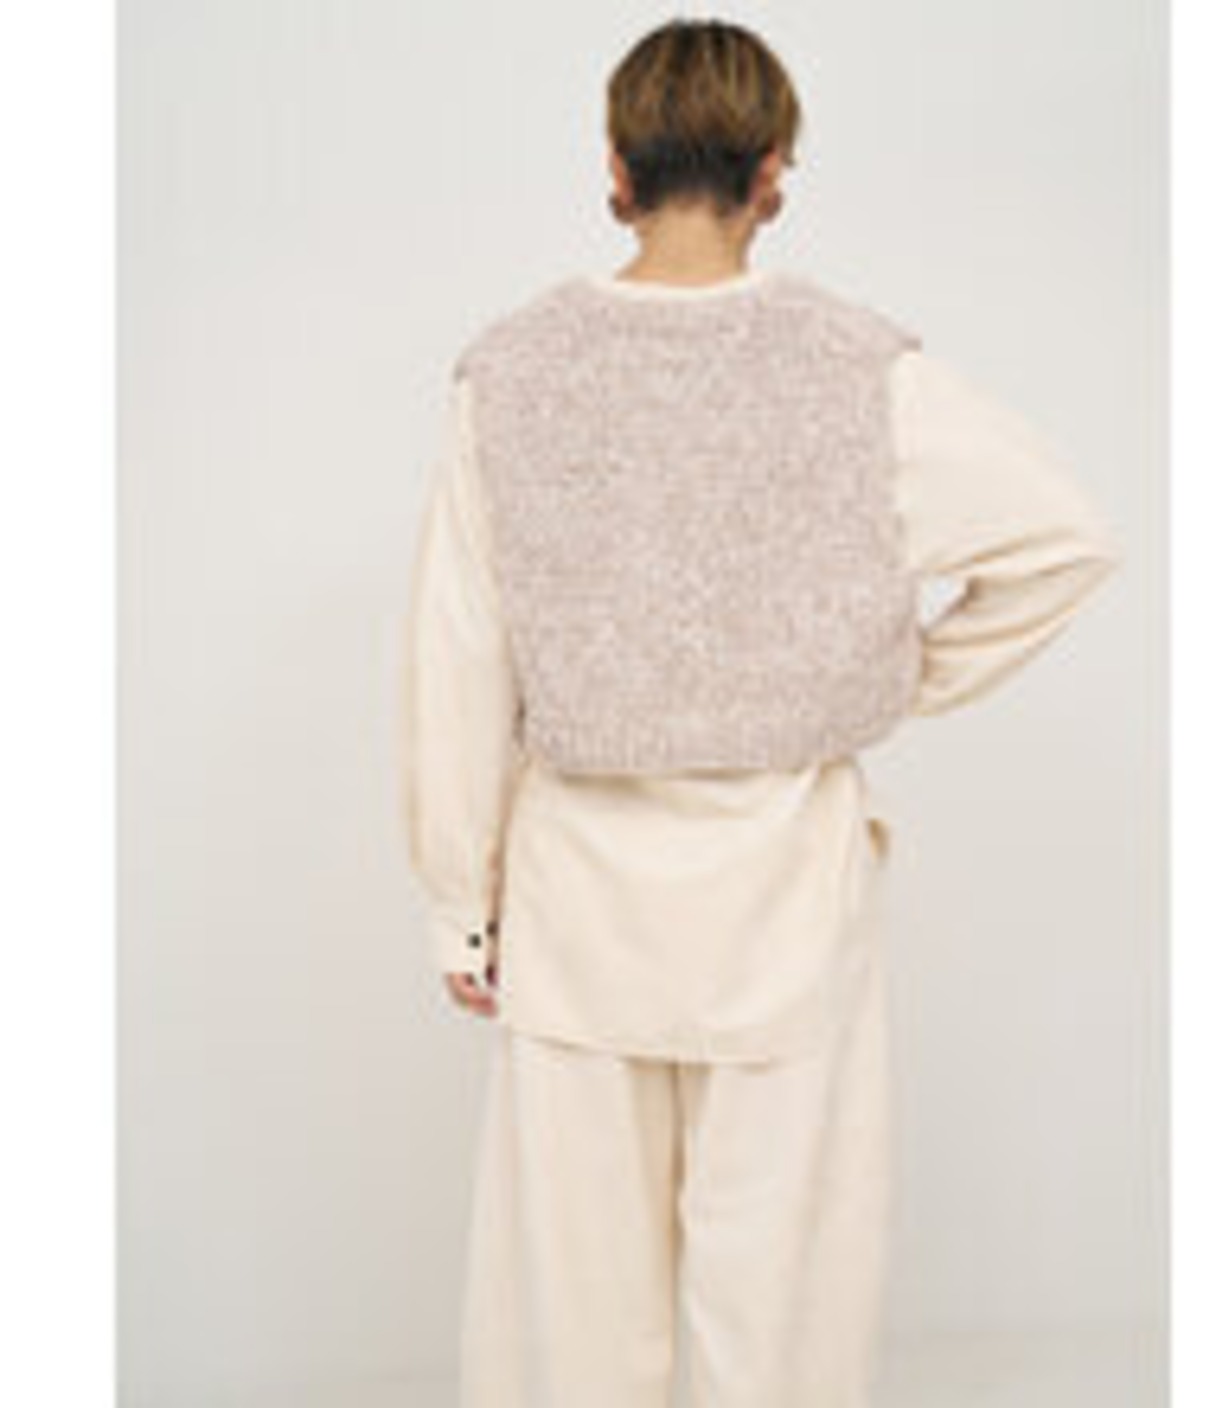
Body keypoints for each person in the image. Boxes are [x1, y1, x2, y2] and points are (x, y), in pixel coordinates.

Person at [401, 17, 1121, 1408]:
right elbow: (1066, 538)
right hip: (785, 898)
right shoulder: (858, 369)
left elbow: (457, 652)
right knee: (784, 1317)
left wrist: (456, 901)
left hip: (578, 904)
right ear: (774, 169)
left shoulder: (511, 373)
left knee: (574, 1315)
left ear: (616, 167)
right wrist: (888, 675)